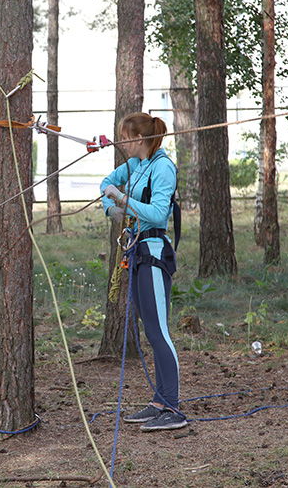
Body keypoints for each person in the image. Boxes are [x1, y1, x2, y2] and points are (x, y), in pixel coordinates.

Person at [101, 112, 186, 432]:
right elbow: (105, 183)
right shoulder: (137, 164)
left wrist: (122, 198)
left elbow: (158, 213)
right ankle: (160, 401)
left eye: (125, 137)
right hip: (137, 252)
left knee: (159, 332)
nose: (122, 142)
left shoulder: (163, 167)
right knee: (150, 331)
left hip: (153, 252)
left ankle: (174, 408)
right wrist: (112, 207)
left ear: (139, 139)